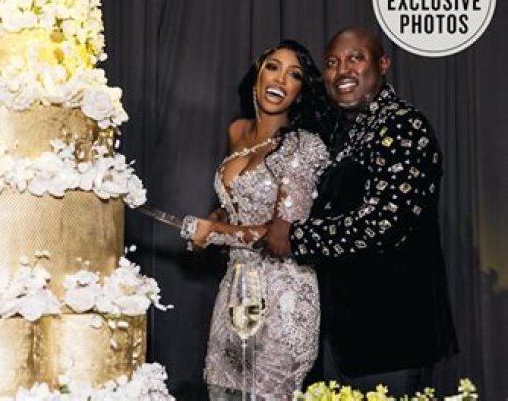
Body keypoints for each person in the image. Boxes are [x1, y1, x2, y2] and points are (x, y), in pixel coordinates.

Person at [261, 27, 459, 396]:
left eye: (355, 58)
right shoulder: (343, 133)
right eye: (332, 62)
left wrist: (296, 237)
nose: (342, 70)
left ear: (383, 64)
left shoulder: (404, 125)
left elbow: (384, 222)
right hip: (343, 339)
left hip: (392, 339)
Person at [184, 40, 333, 399]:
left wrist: (214, 232)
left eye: (294, 75)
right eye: (273, 67)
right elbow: (235, 203)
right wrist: (211, 221)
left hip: (283, 293)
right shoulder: (237, 132)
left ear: (300, 91)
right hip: (236, 286)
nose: (280, 79)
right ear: (257, 76)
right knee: (224, 392)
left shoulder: (304, 146)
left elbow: (281, 234)